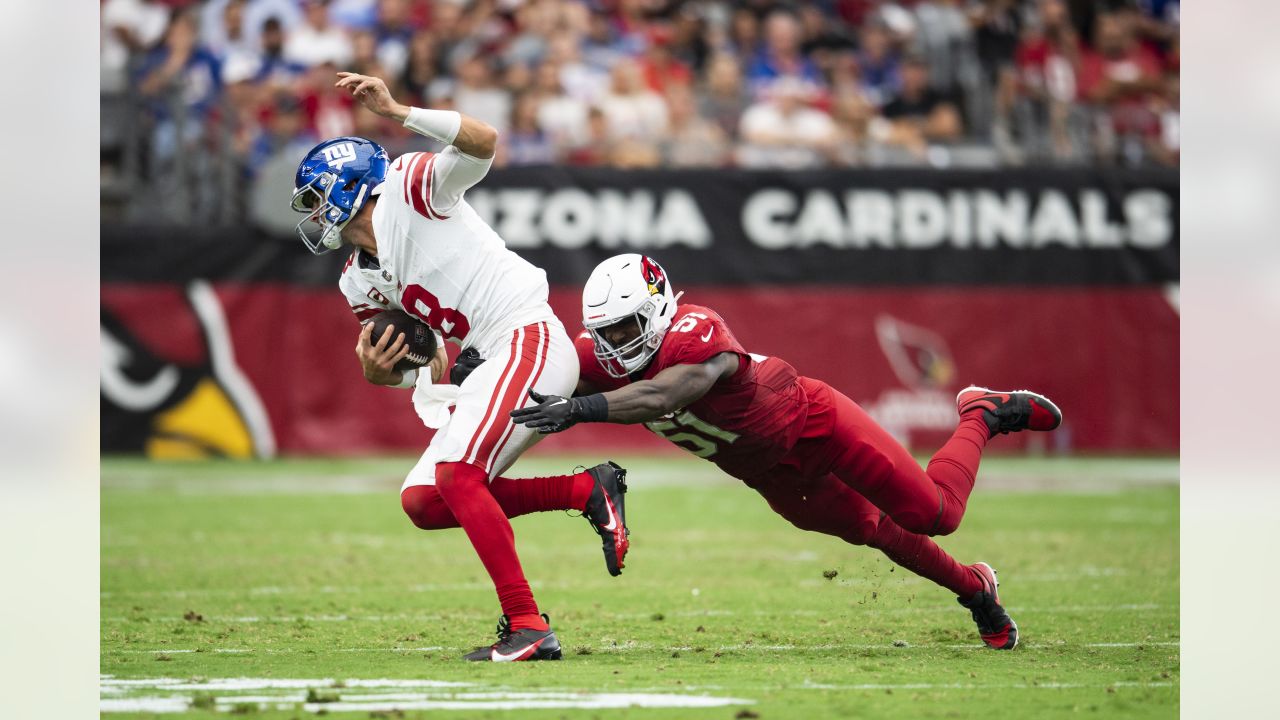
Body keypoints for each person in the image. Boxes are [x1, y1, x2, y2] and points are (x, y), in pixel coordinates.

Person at [511, 254, 1064, 650]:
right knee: (878, 531)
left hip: (815, 425)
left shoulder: (694, 330)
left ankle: (982, 413)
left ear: (657, 309)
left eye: (626, 326)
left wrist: (581, 408)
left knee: (935, 514)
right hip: (771, 475)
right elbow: (532, 364)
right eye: (604, 332)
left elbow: (669, 390)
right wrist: (479, 368)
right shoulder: (596, 356)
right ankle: (976, 591)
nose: (613, 344)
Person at [288, 72, 630, 662]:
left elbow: (484, 141)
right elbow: (413, 359)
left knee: (457, 475)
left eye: (318, 198)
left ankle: (528, 625)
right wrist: (381, 374)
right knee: (425, 500)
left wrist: (398, 111)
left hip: (527, 335)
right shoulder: (357, 277)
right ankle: (584, 488)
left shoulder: (410, 187)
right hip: (490, 357)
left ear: (348, 185)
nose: (316, 215)